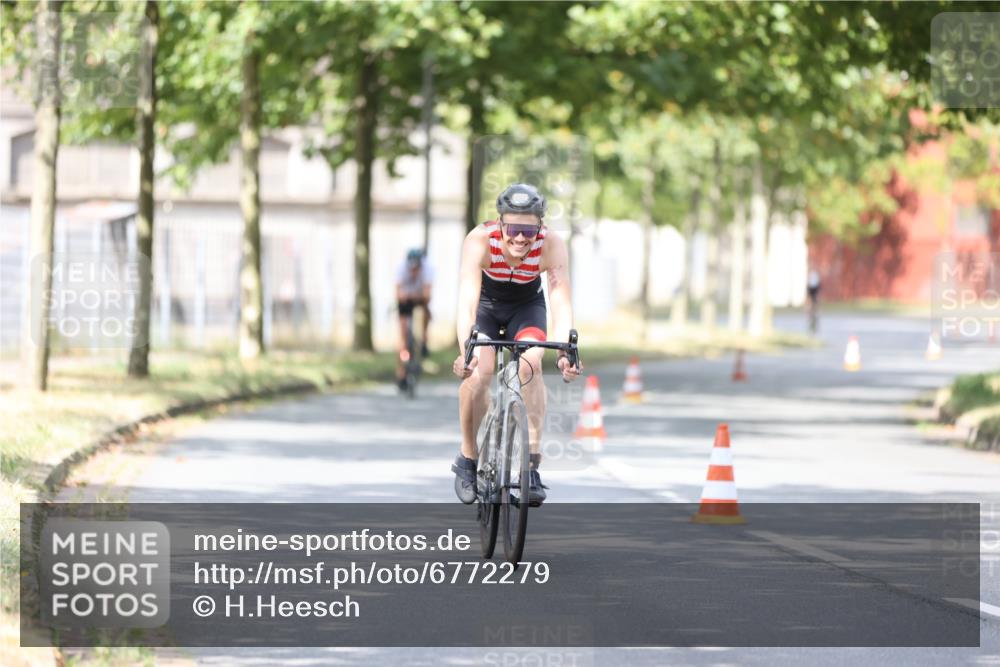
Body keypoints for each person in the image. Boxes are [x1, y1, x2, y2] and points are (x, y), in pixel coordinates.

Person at [451, 183, 582, 506]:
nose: (521, 238)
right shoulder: (479, 240)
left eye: (529, 230)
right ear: (499, 223)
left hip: (526, 306)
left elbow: (560, 300)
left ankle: (531, 465)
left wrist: (564, 352)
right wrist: (466, 351)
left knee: (530, 366)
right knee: (480, 373)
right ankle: (468, 457)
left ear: (541, 227)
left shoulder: (551, 244)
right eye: (512, 229)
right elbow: (466, 301)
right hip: (485, 307)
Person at [396, 248, 433, 390]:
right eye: (411, 269)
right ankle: (401, 373)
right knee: (403, 336)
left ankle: (424, 340)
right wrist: (407, 296)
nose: (413, 271)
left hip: (419, 299)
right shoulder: (400, 269)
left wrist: (415, 296)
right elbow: (398, 294)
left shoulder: (427, 270)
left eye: (416, 269)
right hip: (405, 302)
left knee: (426, 313)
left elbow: (427, 296)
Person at [806, 269, 821, 333]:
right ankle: (810, 313)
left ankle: (814, 312)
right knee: (811, 302)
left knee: (814, 301)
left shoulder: (815, 274)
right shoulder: (811, 274)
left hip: (814, 288)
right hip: (811, 288)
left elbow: (818, 285)